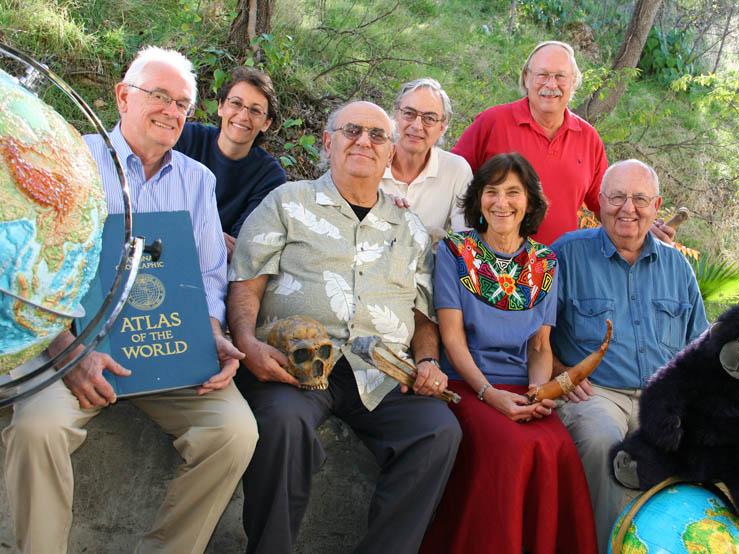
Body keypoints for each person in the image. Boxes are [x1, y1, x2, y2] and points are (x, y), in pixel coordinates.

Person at [1, 47, 258, 554]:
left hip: (167, 351)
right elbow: (24, 266)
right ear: (122, 96)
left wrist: (212, 333)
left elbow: (208, 273)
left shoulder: (197, 179)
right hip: (75, 350)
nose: (171, 111)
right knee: (37, 428)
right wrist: (65, 351)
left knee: (234, 432)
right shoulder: (68, 159)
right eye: (158, 96)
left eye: (182, 103)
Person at [227, 100, 462, 554]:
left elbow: (422, 313)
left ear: (391, 152)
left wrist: (429, 359)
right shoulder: (287, 202)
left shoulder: (409, 228)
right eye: (352, 130)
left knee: (438, 432)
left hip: (381, 370)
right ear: (328, 140)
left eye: (377, 135)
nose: (364, 142)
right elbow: (245, 284)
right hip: (298, 364)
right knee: (282, 424)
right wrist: (247, 343)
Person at [421, 153, 597, 554]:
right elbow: (451, 340)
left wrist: (538, 392)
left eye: (513, 193)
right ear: (478, 200)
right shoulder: (455, 250)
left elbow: (540, 345)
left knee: (560, 449)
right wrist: (489, 394)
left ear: (530, 203)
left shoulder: (545, 261)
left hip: (523, 388)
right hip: (468, 385)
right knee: (512, 448)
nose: (502, 202)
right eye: (492, 192)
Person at [551, 159, 708, 549]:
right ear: (599, 202)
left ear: (657, 205)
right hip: (595, 393)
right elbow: (533, 335)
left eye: (639, 199)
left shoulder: (677, 268)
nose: (628, 208)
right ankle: (603, 546)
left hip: (664, 398)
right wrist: (560, 372)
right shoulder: (566, 256)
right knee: (603, 443)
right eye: (618, 197)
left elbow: (701, 347)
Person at [452, 41, 674, 246]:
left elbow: (607, 207)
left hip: (559, 268)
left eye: (560, 76)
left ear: (574, 82)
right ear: (527, 78)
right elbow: (452, 179)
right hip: (493, 264)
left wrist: (642, 227)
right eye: (543, 75)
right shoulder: (492, 123)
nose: (551, 84)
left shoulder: (589, 139)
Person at [174, 66, 286, 258]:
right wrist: (210, 236)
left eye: (255, 110)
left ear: (266, 123)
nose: (243, 116)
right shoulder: (185, 138)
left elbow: (241, 246)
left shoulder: (269, 176)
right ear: (220, 106)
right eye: (236, 103)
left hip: (217, 269)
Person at [380, 78, 472, 239]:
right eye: (409, 113)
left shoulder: (456, 170)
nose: (417, 125)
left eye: (429, 118)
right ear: (395, 116)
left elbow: (465, 239)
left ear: (442, 127)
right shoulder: (370, 159)